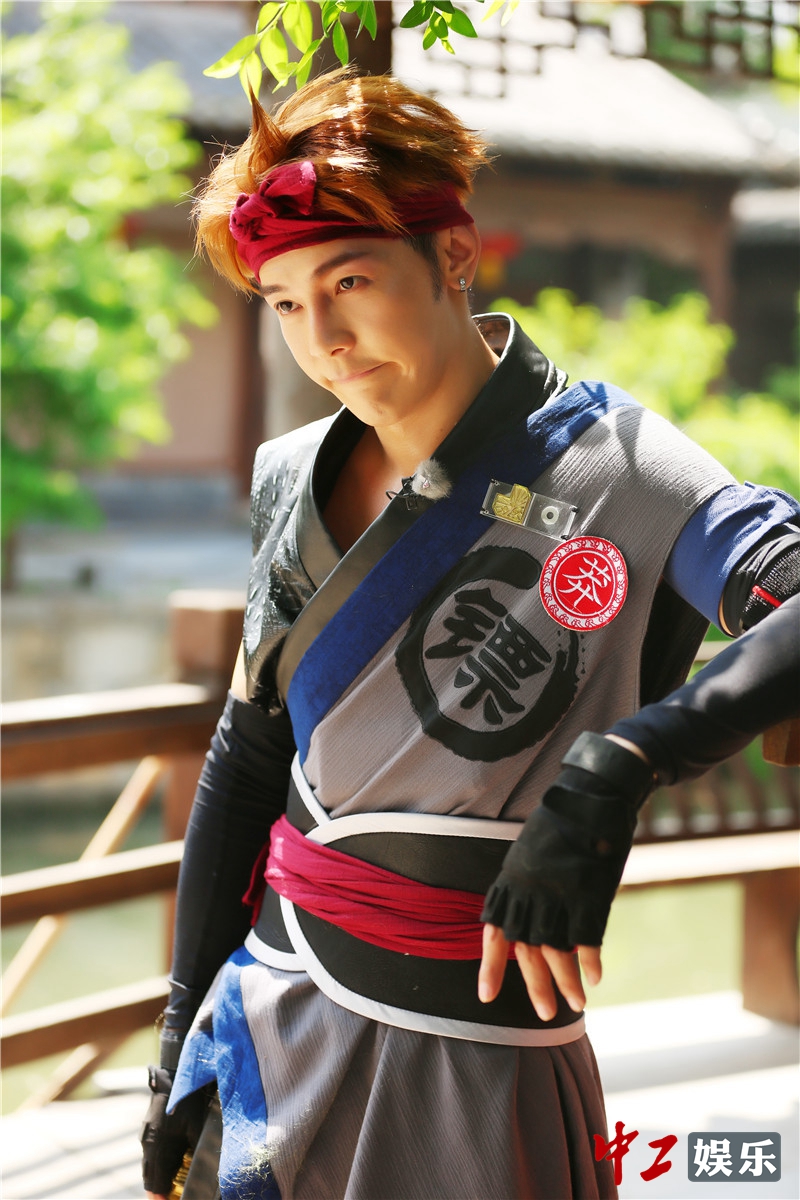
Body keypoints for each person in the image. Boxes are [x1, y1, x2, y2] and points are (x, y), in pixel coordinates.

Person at [141, 69, 800, 1200]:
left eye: (350, 281)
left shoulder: (625, 468)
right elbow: (247, 758)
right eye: (285, 304)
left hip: (471, 1049)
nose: (323, 339)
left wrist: (621, 765)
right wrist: (171, 1040)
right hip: (262, 1016)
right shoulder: (293, 474)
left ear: (453, 255)